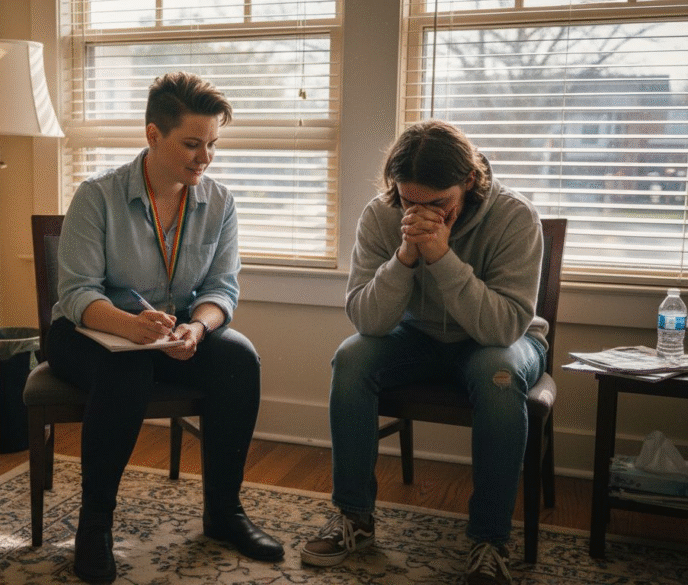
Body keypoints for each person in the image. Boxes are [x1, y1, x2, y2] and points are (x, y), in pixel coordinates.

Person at [46, 71, 284, 584]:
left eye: (212, 144)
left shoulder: (219, 202)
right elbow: (77, 292)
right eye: (192, 144)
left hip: (170, 331)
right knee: (127, 371)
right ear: (153, 135)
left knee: (239, 358)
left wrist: (197, 329)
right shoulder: (97, 195)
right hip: (87, 332)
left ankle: (224, 512)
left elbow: (222, 289)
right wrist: (129, 327)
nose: (205, 158)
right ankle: (95, 525)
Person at [300, 120, 547, 585]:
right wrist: (405, 258)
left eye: (437, 204)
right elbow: (368, 320)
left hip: (501, 342)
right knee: (351, 358)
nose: (421, 213)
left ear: (468, 181)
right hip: (418, 337)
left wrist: (441, 257)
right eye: (409, 200)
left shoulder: (515, 217)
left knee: (497, 373)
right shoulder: (381, 215)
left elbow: (504, 327)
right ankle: (354, 517)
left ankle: (489, 540)